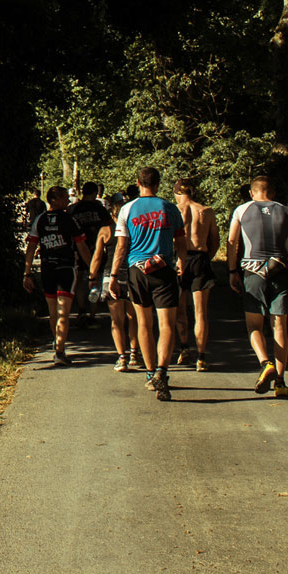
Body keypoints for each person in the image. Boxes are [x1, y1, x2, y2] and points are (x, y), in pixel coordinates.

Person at [111, 167, 187, 400]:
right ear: (158, 183)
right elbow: (181, 240)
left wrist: (113, 276)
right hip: (164, 269)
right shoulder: (169, 208)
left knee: (143, 324)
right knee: (166, 324)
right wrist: (182, 262)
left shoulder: (127, 208)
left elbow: (122, 246)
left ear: (138, 182)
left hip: (137, 271)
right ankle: (162, 371)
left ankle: (150, 372)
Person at [228, 174, 288, 397]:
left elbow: (232, 242)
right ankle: (280, 382)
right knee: (279, 327)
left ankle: (265, 363)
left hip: (252, 273)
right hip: (281, 271)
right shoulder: (287, 211)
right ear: (272, 193)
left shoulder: (241, 211)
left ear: (252, 193)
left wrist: (232, 271)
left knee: (254, 325)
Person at [22, 185, 94, 365]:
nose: (68, 201)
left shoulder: (40, 220)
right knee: (62, 312)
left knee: (54, 311)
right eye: (64, 198)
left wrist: (27, 272)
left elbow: (30, 248)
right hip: (65, 269)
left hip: (48, 269)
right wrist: (93, 268)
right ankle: (60, 351)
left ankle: (58, 346)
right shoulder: (70, 220)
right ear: (54, 200)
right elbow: (82, 247)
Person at [83, 188, 134, 372]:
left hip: (109, 275)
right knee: (133, 317)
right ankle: (135, 352)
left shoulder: (105, 231)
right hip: (131, 274)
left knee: (116, 320)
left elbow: (96, 256)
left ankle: (122, 357)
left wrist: (91, 277)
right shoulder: (134, 229)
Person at [173, 178, 220, 370]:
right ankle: (201, 356)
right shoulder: (206, 211)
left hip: (179, 259)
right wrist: (206, 258)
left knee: (179, 308)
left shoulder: (174, 210)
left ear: (177, 193)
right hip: (200, 258)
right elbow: (215, 241)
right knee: (200, 312)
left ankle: (184, 348)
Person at [68, 182, 113, 328]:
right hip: (96, 248)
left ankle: (81, 311)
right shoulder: (99, 208)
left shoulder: (74, 209)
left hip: (78, 248)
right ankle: (93, 315)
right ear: (94, 193)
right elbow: (110, 226)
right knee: (95, 279)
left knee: (80, 279)